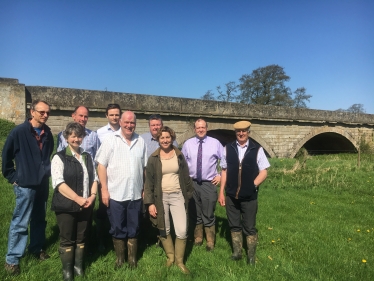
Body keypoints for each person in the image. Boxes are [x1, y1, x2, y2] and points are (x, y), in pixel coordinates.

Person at [2, 100, 54, 275]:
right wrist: (13, 177)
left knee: (39, 218)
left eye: (47, 112)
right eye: (41, 112)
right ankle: (12, 259)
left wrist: (46, 171)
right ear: (32, 112)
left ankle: (36, 248)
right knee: (21, 221)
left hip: (42, 183)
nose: (45, 115)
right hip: (25, 185)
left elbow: (47, 154)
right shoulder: (19, 132)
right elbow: (6, 157)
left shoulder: (47, 133)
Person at [95, 111, 147, 269]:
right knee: (117, 227)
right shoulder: (110, 140)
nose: (129, 125)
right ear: (121, 122)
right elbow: (101, 165)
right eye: (127, 122)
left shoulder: (140, 141)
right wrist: (104, 189)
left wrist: (144, 188)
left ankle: (132, 259)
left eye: (132, 123)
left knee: (134, 227)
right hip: (116, 194)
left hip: (135, 194)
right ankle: (120, 258)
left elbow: (144, 168)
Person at [51, 122, 98, 280]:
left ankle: (79, 267)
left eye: (79, 136)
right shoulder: (59, 157)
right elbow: (58, 183)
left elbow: (94, 179)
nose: (76, 139)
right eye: (73, 136)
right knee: (67, 239)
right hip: (66, 205)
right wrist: (78, 199)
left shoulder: (87, 156)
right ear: (66, 138)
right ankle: (67, 272)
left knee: (81, 238)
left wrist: (92, 196)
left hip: (86, 204)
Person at [218, 120, 270, 265]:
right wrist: (221, 192)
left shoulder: (257, 149)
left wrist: (253, 185)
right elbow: (224, 171)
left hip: (249, 197)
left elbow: (264, 171)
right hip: (231, 196)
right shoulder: (227, 148)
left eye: (244, 131)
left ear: (248, 132)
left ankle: (251, 257)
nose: (241, 133)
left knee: (249, 226)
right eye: (238, 131)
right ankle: (237, 252)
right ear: (235, 133)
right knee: (234, 225)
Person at [144, 126, 193, 274]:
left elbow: (186, 176)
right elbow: (149, 182)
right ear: (158, 140)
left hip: (178, 195)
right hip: (161, 197)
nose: (165, 140)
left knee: (182, 230)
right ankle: (170, 258)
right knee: (163, 228)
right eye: (162, 138)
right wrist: (150, 203)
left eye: (167, 137)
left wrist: (189, 195)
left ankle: (180, 261)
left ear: (172, 138)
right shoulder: (153, 158)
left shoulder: (179, 155)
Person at [181, 118, 223, 251]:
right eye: (198, 128)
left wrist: (220, 175)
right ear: (194, 129)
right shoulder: (188, 144)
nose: (200, 130)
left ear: (207, 128)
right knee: (195, 211)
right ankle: (198, 237)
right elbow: (182, 163)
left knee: (208, 212)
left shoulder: (215, 143)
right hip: (192, 182)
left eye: (203, 127)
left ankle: (210, 240)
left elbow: (226, 160)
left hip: (208, 183)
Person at [95, 103, 121, 250]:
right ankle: (101, 239)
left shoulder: (125, 131)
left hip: (120, 178)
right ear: (106, 116)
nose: (114, 117)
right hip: (105, 177)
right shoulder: (99, 133)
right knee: (104, 208)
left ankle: (116, 237)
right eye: (111, 114)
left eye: (117, 114)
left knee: (118, 207)